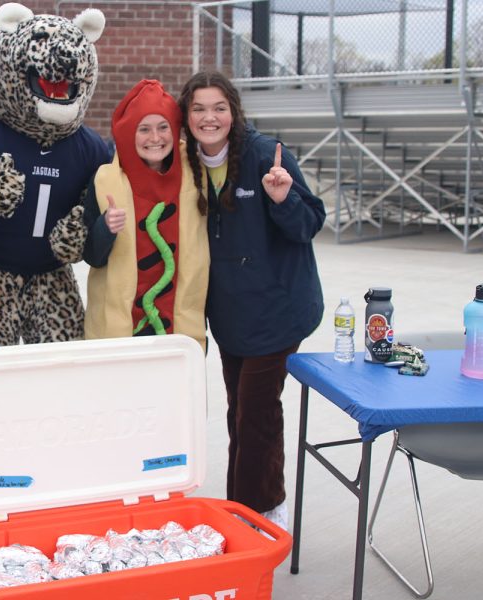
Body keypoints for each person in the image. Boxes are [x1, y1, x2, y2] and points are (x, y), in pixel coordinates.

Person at [177, 71, 325, 531]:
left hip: (277, 308)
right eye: (198, 108)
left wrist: (282, 199)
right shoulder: (186, 164)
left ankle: (246, 517)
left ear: (233, 112)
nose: (209, 117)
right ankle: (265, 502)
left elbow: (307, 225)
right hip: (231, 314)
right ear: (186, 116)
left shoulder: (266, 156)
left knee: (256, 411)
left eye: (219, 107)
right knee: (240, 413)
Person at [82, 79, 208, 348]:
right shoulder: (105, 181)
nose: (155, 138)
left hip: (178, 328)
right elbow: (91, 256)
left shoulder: (197, 176)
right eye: (144, 129)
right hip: (121, 331)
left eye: (163, 127)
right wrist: (106, 228)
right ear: (129, 134)